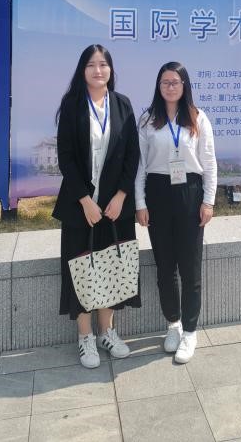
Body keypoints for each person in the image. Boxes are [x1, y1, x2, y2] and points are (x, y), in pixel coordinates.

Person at [53, 44, 140, 368]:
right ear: (83, 70)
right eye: (91, 65)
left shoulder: (123, 104)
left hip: (115, 207)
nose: (98, 70)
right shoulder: (72, 104)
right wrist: (85, 200)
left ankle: (107, 332)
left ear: (111, 70)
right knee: (81, 268)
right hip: (81, 206)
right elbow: (66, 158)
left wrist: (121, 195)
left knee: (112, 268)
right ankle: (85, 337)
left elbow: (132, 155)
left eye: (103, 64)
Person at [135, 62, 217, 363]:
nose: (170, 87)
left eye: (175, 82)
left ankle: (190, 332)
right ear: (158, 86)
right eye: (165, 82)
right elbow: (139, 165)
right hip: (158, 193)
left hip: (190, 194)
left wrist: (208, 201)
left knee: (190, 268)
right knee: (165, 267)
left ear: (185, 85)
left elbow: (209, 163)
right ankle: (173, 324)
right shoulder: (148, 120)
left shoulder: (198, 117)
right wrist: (140, 202)